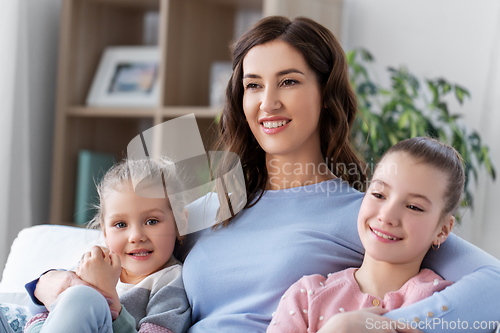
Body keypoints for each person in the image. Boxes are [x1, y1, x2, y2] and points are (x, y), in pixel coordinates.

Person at [30, 16, 500, 333]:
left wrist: (384, 326)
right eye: (253, 85)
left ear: (326, 93)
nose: (267, 102)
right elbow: (99, 263)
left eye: (289, 82)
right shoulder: (214, 204)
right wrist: (58, 283)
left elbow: (493, 288)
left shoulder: (367, 214)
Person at [267, 137, 461, 332]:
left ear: (443, 230)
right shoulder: (306, 297)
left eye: (413, 207)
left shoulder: (444, 301)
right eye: (378, 195)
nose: (386, 216)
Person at [25, 158, 191, 333]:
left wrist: (110, 300)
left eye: (152, 221)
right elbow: (41, 309)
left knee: (84, 297)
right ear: (105, 233)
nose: (135, 237)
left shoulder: (170, 284)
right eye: (120, 224)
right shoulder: (98, 263)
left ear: (180, 223)